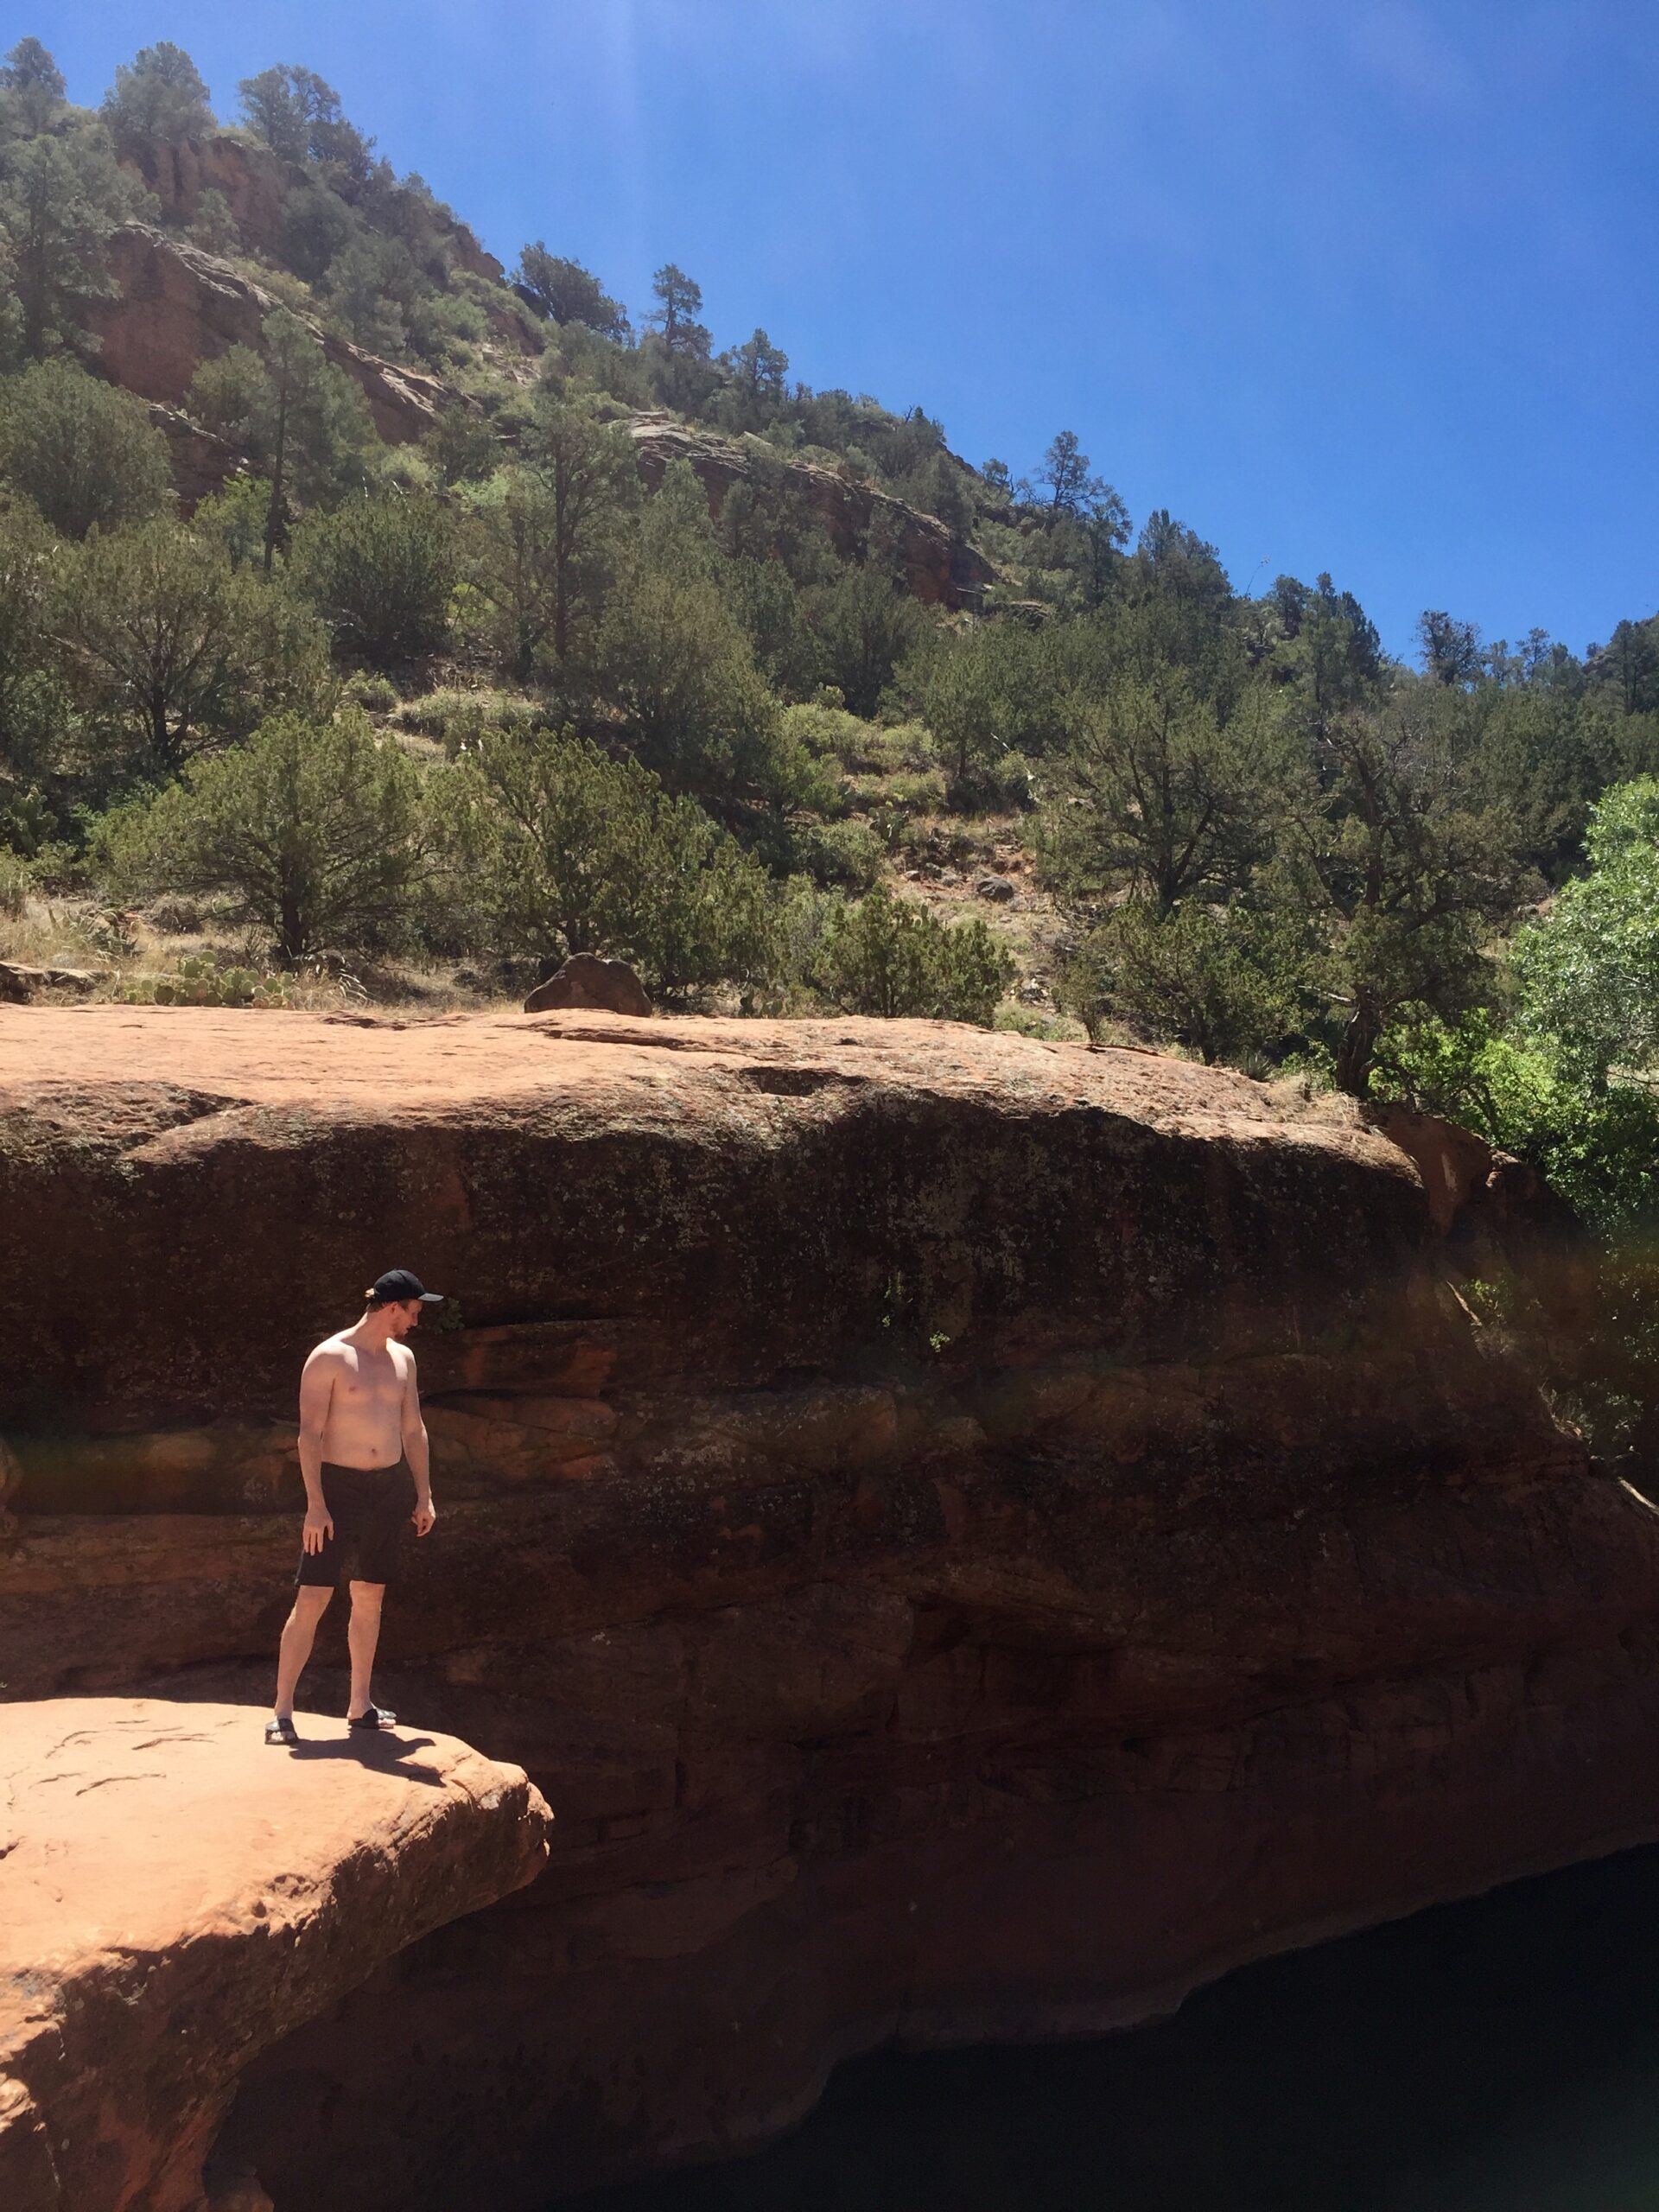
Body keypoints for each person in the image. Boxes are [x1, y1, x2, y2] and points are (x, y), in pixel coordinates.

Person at [266, 1268, 441, 1745]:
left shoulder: (403, 1359)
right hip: (337, 1491)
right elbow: (309, 1435)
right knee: (314, 1596)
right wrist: (315, 1504)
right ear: (392, 1308)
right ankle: (281, 1710)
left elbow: (413, 1430)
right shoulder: (330, 1357)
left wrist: (423, 1493)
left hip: (387, 1490)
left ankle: (359, 1704)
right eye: (413, 1312)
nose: (415, 1323)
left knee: (370, 1594)